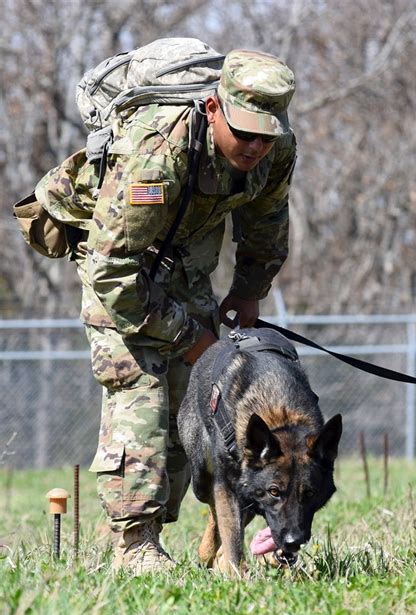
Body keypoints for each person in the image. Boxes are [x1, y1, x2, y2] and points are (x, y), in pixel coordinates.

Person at [38, 48, 296, 574]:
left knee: (197, 403)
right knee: (143, 387)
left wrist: (249, 289)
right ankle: (135, 544)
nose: (253, 146)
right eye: (243, 132)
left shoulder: (275, 149)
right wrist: (187, 338)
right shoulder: (156, 152)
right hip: (117, 268)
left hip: (185, 270)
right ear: (212, 110)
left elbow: (267, 219)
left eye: (264, 135)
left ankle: (218, 540)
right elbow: (115, 271)